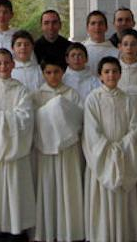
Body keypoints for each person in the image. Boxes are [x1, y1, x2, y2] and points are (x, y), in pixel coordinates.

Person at [83, 56, 137, 241]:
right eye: (107, 71)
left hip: (124, 154)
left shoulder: (127, 99)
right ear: (100, 75)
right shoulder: (93, 98)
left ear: (120, 74)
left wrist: (122, 146)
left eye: (115, 71)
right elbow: (92, 130)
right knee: (102, 199)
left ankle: (124, 235)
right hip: (102, 156)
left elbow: (134, 126)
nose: (111, 75)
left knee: (123, 199)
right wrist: (108, 150)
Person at [0, 48, 35, 236]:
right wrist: (8, 119)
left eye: (6, 62)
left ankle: (16, 232)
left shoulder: (21, 90)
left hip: (16, 153)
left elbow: (25, 117)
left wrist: (0, 118)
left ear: (13, 64)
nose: (3, 66)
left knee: (16, 192)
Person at [32, 58, 84, 242]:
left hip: (68, 150)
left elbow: (79, 119)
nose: (52, 76)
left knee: (69, 188)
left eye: (56, 72)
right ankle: (47, 230)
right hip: (45, 150)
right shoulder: (36, 95)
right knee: (47, 187)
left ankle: (70, 230)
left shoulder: (72, 94)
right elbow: (34, 121)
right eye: (48, 72)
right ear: (43, 73)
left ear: (63, 72)